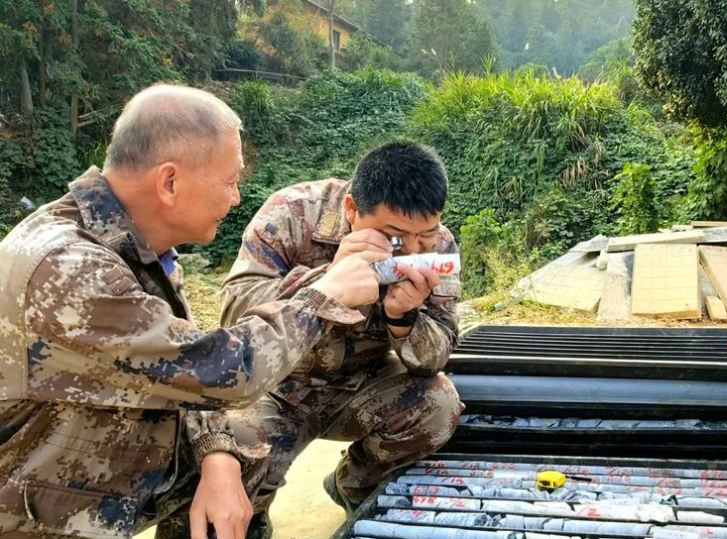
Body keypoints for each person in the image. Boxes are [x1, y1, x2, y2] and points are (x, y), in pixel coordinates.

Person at [0, 84, 386, 539]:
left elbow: (176, 372)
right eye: (230, 181)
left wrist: (217, 454)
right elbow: (221, 369)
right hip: (29, 505)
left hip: (88, 467)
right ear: (169, 182)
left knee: (240, 450)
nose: (237, 198)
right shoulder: (70, 267)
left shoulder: (136, 247)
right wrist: (324, 295)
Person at [217, 140, 463, 524]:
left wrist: (404, 319)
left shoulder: (441, 245)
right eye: (395, 237)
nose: (410, 251)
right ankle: (253, 514)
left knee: (438, 405)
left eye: (425, 236)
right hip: (278, 388)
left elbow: (437, 355)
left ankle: (358, 487)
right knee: (225, 450)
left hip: (363, 386)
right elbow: (235, 313)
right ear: (351, 209)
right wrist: (328, 281)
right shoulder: (292, 212)